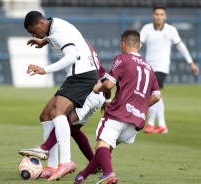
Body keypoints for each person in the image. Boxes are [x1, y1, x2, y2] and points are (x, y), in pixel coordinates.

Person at [73, 29, 161, 184]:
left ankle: (108, 174)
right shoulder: (149, 67)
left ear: (123, 44)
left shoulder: (122, 58)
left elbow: (108, 84)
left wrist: (97, 88)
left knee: (102, 144)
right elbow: (157, 95)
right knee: (105, 150)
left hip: (118, 113)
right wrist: (140, 106)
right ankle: (81, 176)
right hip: (136, 121)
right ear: (139, 45)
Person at [23, 11, 98, 181]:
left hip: (82, 75)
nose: (34, 34)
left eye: (34, 31)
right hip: (78, 75)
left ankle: (66, 162)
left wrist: (45, 69)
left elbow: (71, 56)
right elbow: (61, 36)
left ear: (42, 23)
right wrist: (44, 41)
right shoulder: (54, 26)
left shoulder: (58, 32)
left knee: (58, 113)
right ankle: (51, 165)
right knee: (45, 115)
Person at [19, 42, 110, 179]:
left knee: (64, 119)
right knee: (71, 128)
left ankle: (46, 149)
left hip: (89, 92)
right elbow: (103, 75)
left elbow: (103, 78)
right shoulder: (87, 48)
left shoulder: (75, 47)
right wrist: (107, 100)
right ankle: (94, 163)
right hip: (90, 92)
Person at [140, 5, 199, 134]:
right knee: (155, 94)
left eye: (161, 14)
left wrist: (191, 62)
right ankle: (162, 125)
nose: (159, 16)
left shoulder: (171, 30)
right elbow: (138, 44)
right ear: (152, 15)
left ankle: (150, 123)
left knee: (153, 93)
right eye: (156, 14)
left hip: (162, 66)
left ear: (165, 16)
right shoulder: (146, 29)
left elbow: (181, 46)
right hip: (149, 66)